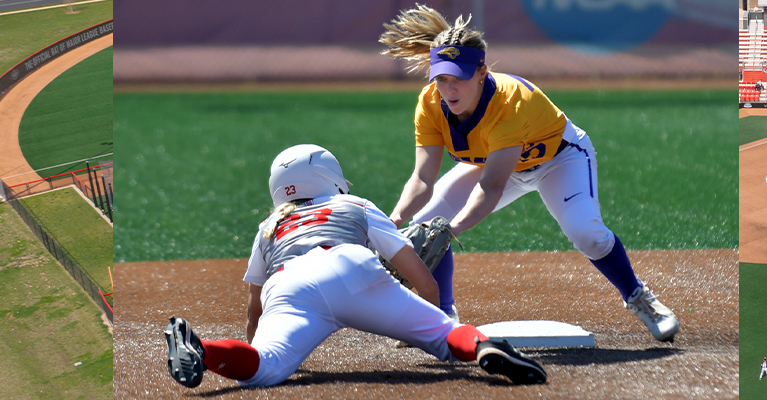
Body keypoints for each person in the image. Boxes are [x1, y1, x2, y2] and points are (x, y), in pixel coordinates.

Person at [378, 5, 679, 343]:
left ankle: (639, 297)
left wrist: (452, 229)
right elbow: (422, 179)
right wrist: (393, 221)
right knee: (427, 222)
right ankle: (444, 317)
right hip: (493, 163)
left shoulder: (510, 102)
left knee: (587, 234)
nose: (450, 90)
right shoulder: (431, 104)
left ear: (480, 72)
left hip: (559, 161)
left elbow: (492, 186)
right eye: (442, 79)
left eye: (459, 78)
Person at [162, 144, 547, 388]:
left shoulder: (269, 226)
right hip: (350, 266)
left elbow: (254, 309)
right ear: (328, 177)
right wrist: (436, 315)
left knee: (265, 367)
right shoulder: (355, 204)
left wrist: (257, 342)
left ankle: (205, 350)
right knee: (446, 337)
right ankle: (482, 347)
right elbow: (420, 276)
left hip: (286, 284)